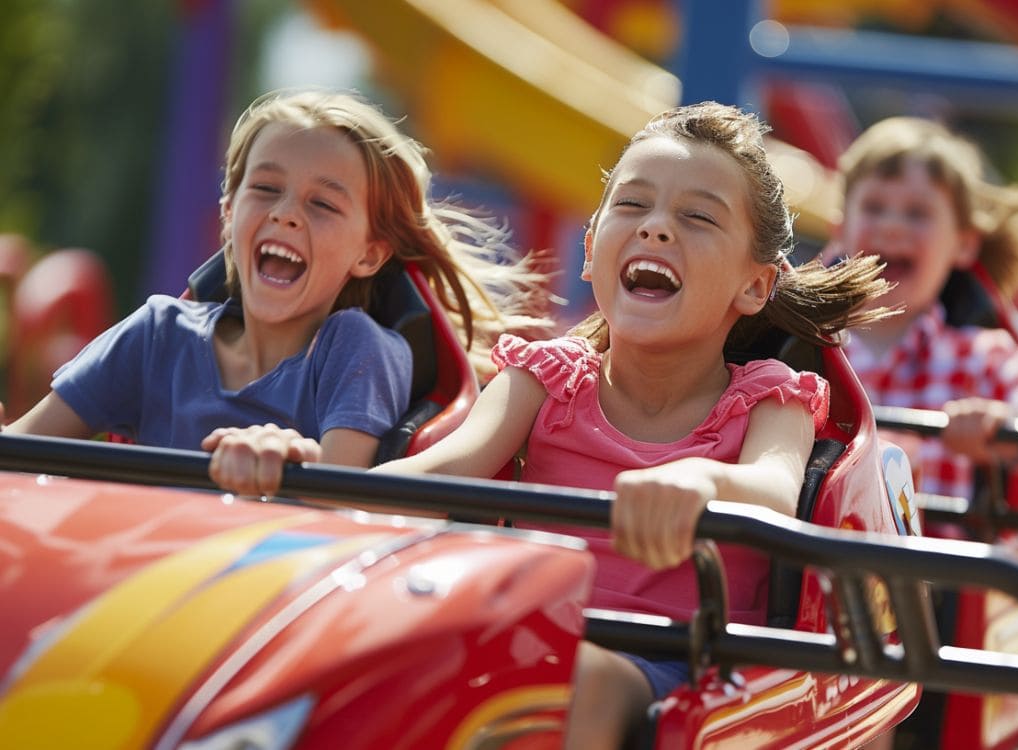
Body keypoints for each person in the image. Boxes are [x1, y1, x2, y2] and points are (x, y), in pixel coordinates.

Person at [206, 101, 891, 748]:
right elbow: (439, 474)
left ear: (754, 285)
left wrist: (700, 481)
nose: (656, 227)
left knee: (577, 682)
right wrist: (299, 475)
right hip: (535, 639)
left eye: (699, 217)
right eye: (632, 204)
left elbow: (773, 489)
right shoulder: (546, 377)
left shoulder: (772, 395)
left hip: (684, 670)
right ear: (592, 250)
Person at [2, 88, 550, 467]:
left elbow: (338, 498)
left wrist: (289, 463)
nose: (286, 213)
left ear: (370, 253)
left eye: (323, 204)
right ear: (228, 212)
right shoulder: (155, 335)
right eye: (265, 189)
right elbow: (22, 451)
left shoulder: (356, 348)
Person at [827, 116, 1018, 502]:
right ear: (840, 231)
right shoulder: (803, 348)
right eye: (874, 207)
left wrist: (1003, 429)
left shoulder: (984, 358)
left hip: (939, 558)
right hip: (824, 554)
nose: (892, 226)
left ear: (964, 245)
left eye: (917, 213)